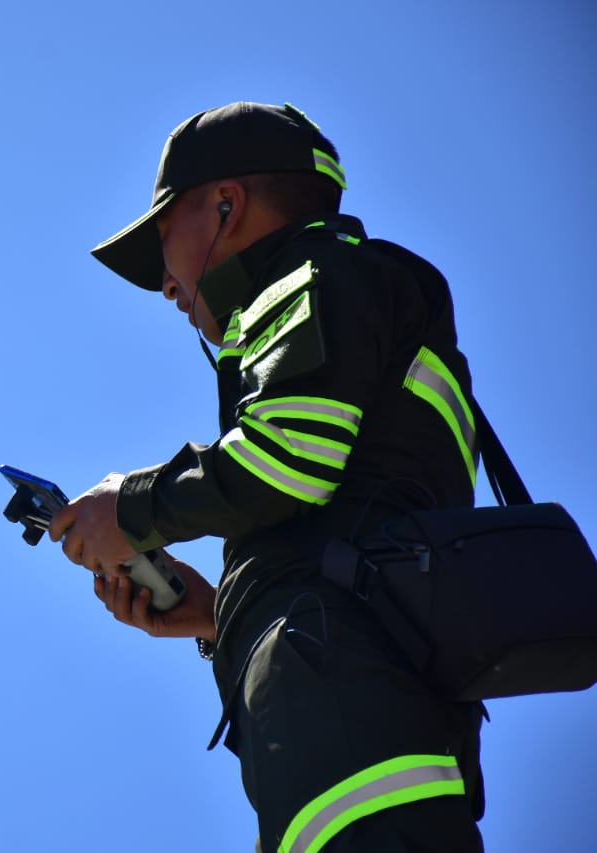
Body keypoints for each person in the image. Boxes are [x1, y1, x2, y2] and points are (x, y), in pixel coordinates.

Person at [48, 102, 486, 852]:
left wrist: (131, 507)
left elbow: (291, 459)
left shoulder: (308, 274)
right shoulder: (356, 289)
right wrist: (216, 613)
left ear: (227, 205)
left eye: (162, 240)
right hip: (370, 707)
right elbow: (355, 516)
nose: (163, 286)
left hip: (350, 730)